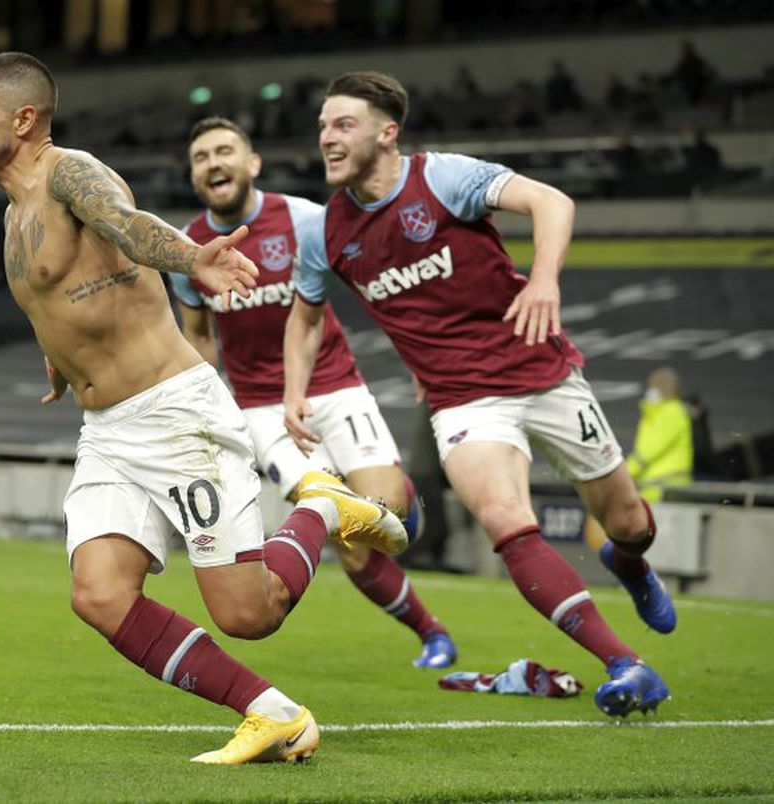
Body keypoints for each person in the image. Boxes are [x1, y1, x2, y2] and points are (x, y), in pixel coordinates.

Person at [0, 52, 407, 765]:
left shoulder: (72, 172)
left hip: (176, 415)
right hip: (107, 431)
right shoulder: (14, 215)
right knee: (99, 595)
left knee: (249, 614)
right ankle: (273, 714)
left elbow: (128, 225)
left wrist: (194, 258)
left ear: (24, 117)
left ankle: (321, 506)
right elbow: (62, 295)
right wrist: (61, 358)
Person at [285, 70, 676, 718]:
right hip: (463, 401)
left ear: (387, 133)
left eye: (343, 124)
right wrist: (294, 391)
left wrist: (543, 281)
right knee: (503, 517)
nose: (327, 137)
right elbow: (304, 317)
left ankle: (629, 563)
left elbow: (553, 202)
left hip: (541, 370)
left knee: (629, 522)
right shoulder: (323, 232)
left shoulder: (442, 178)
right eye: (323, 125)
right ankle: (626, 664)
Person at [172, 116, 456, 669]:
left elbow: (376, 285)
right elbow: (199, 336)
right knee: (345, 532)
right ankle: (432, 633)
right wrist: (200, 412)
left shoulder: (305, 219)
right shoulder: (189, 249)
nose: (213, 163)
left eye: (224, 151)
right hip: (262, 408)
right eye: (201, 157)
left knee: (387, 514)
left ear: (252, 163)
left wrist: (421, 355)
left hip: (334, 385)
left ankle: (403, 502)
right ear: (194, 176)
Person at [627, 367, 693, 502]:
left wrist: (624, 473)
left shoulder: (671, 412)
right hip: (657, 485)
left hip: (665, 486)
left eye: (654, 386)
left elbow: (647, 452)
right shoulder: (657, 412)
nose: (650, 391)